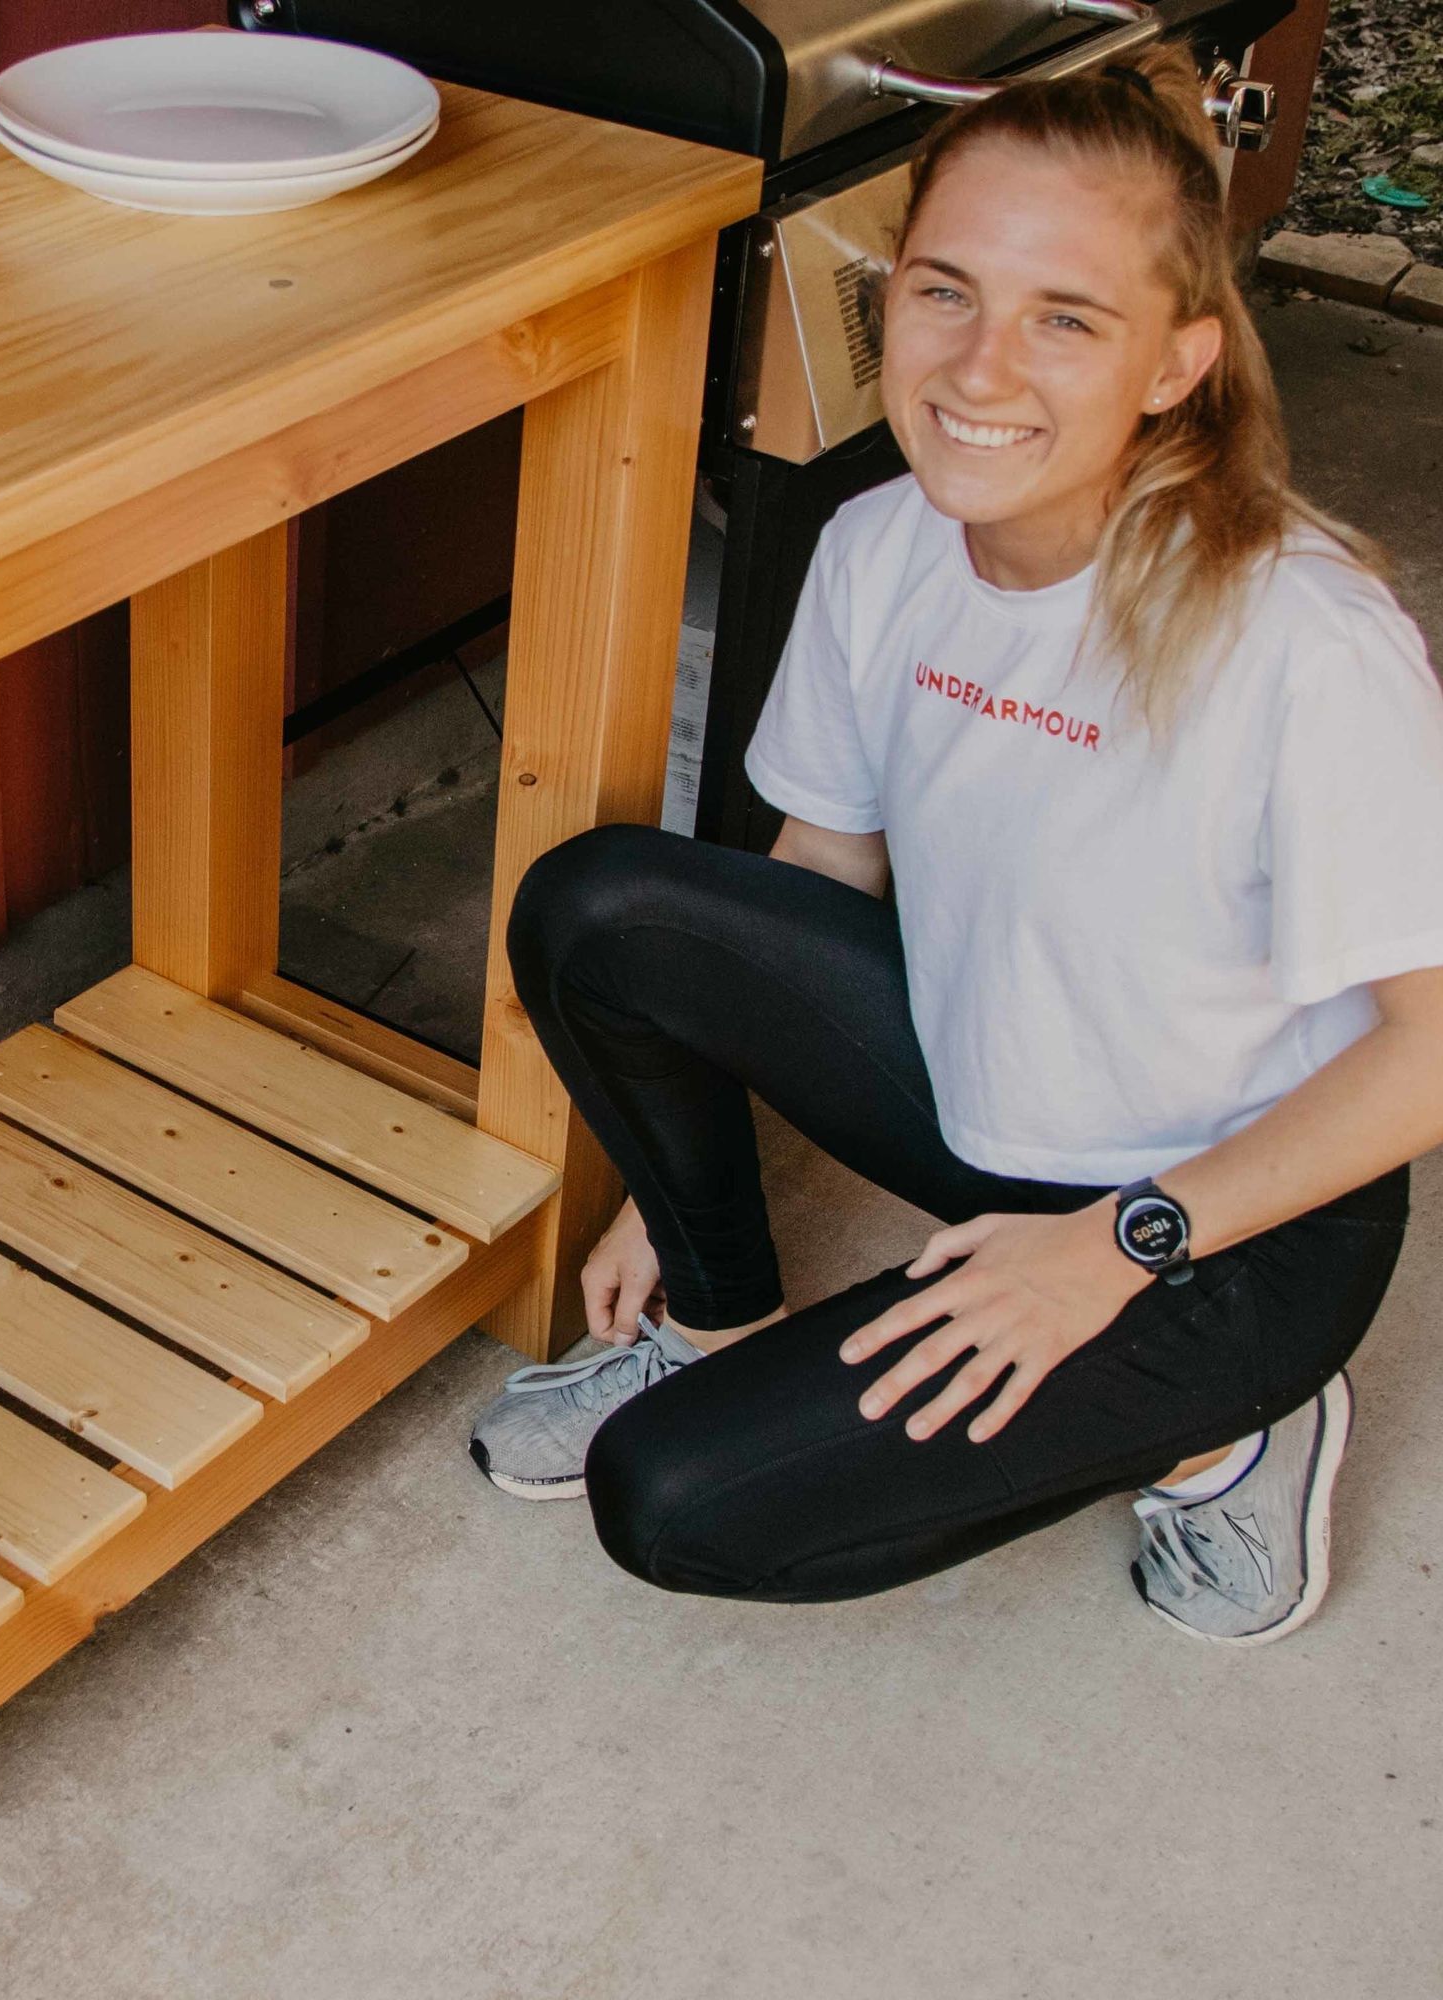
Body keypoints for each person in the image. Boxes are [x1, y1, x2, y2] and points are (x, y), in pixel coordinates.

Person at [466, 45, 1443, 1645]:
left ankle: (1231, 1433)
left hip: (1235, 1226)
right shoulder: (880, 545)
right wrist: (670, 1182)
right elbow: (812, 876)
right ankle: (711, 1321)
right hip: (989, 1093)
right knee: (603, 905)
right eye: (946, 293)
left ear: (1177, 362)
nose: (982, 368)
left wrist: (1114, 1253)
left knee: (679, 1502)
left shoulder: (1302, 641)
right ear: (889, 301)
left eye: (1066, 319)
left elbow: (1433, 1051)